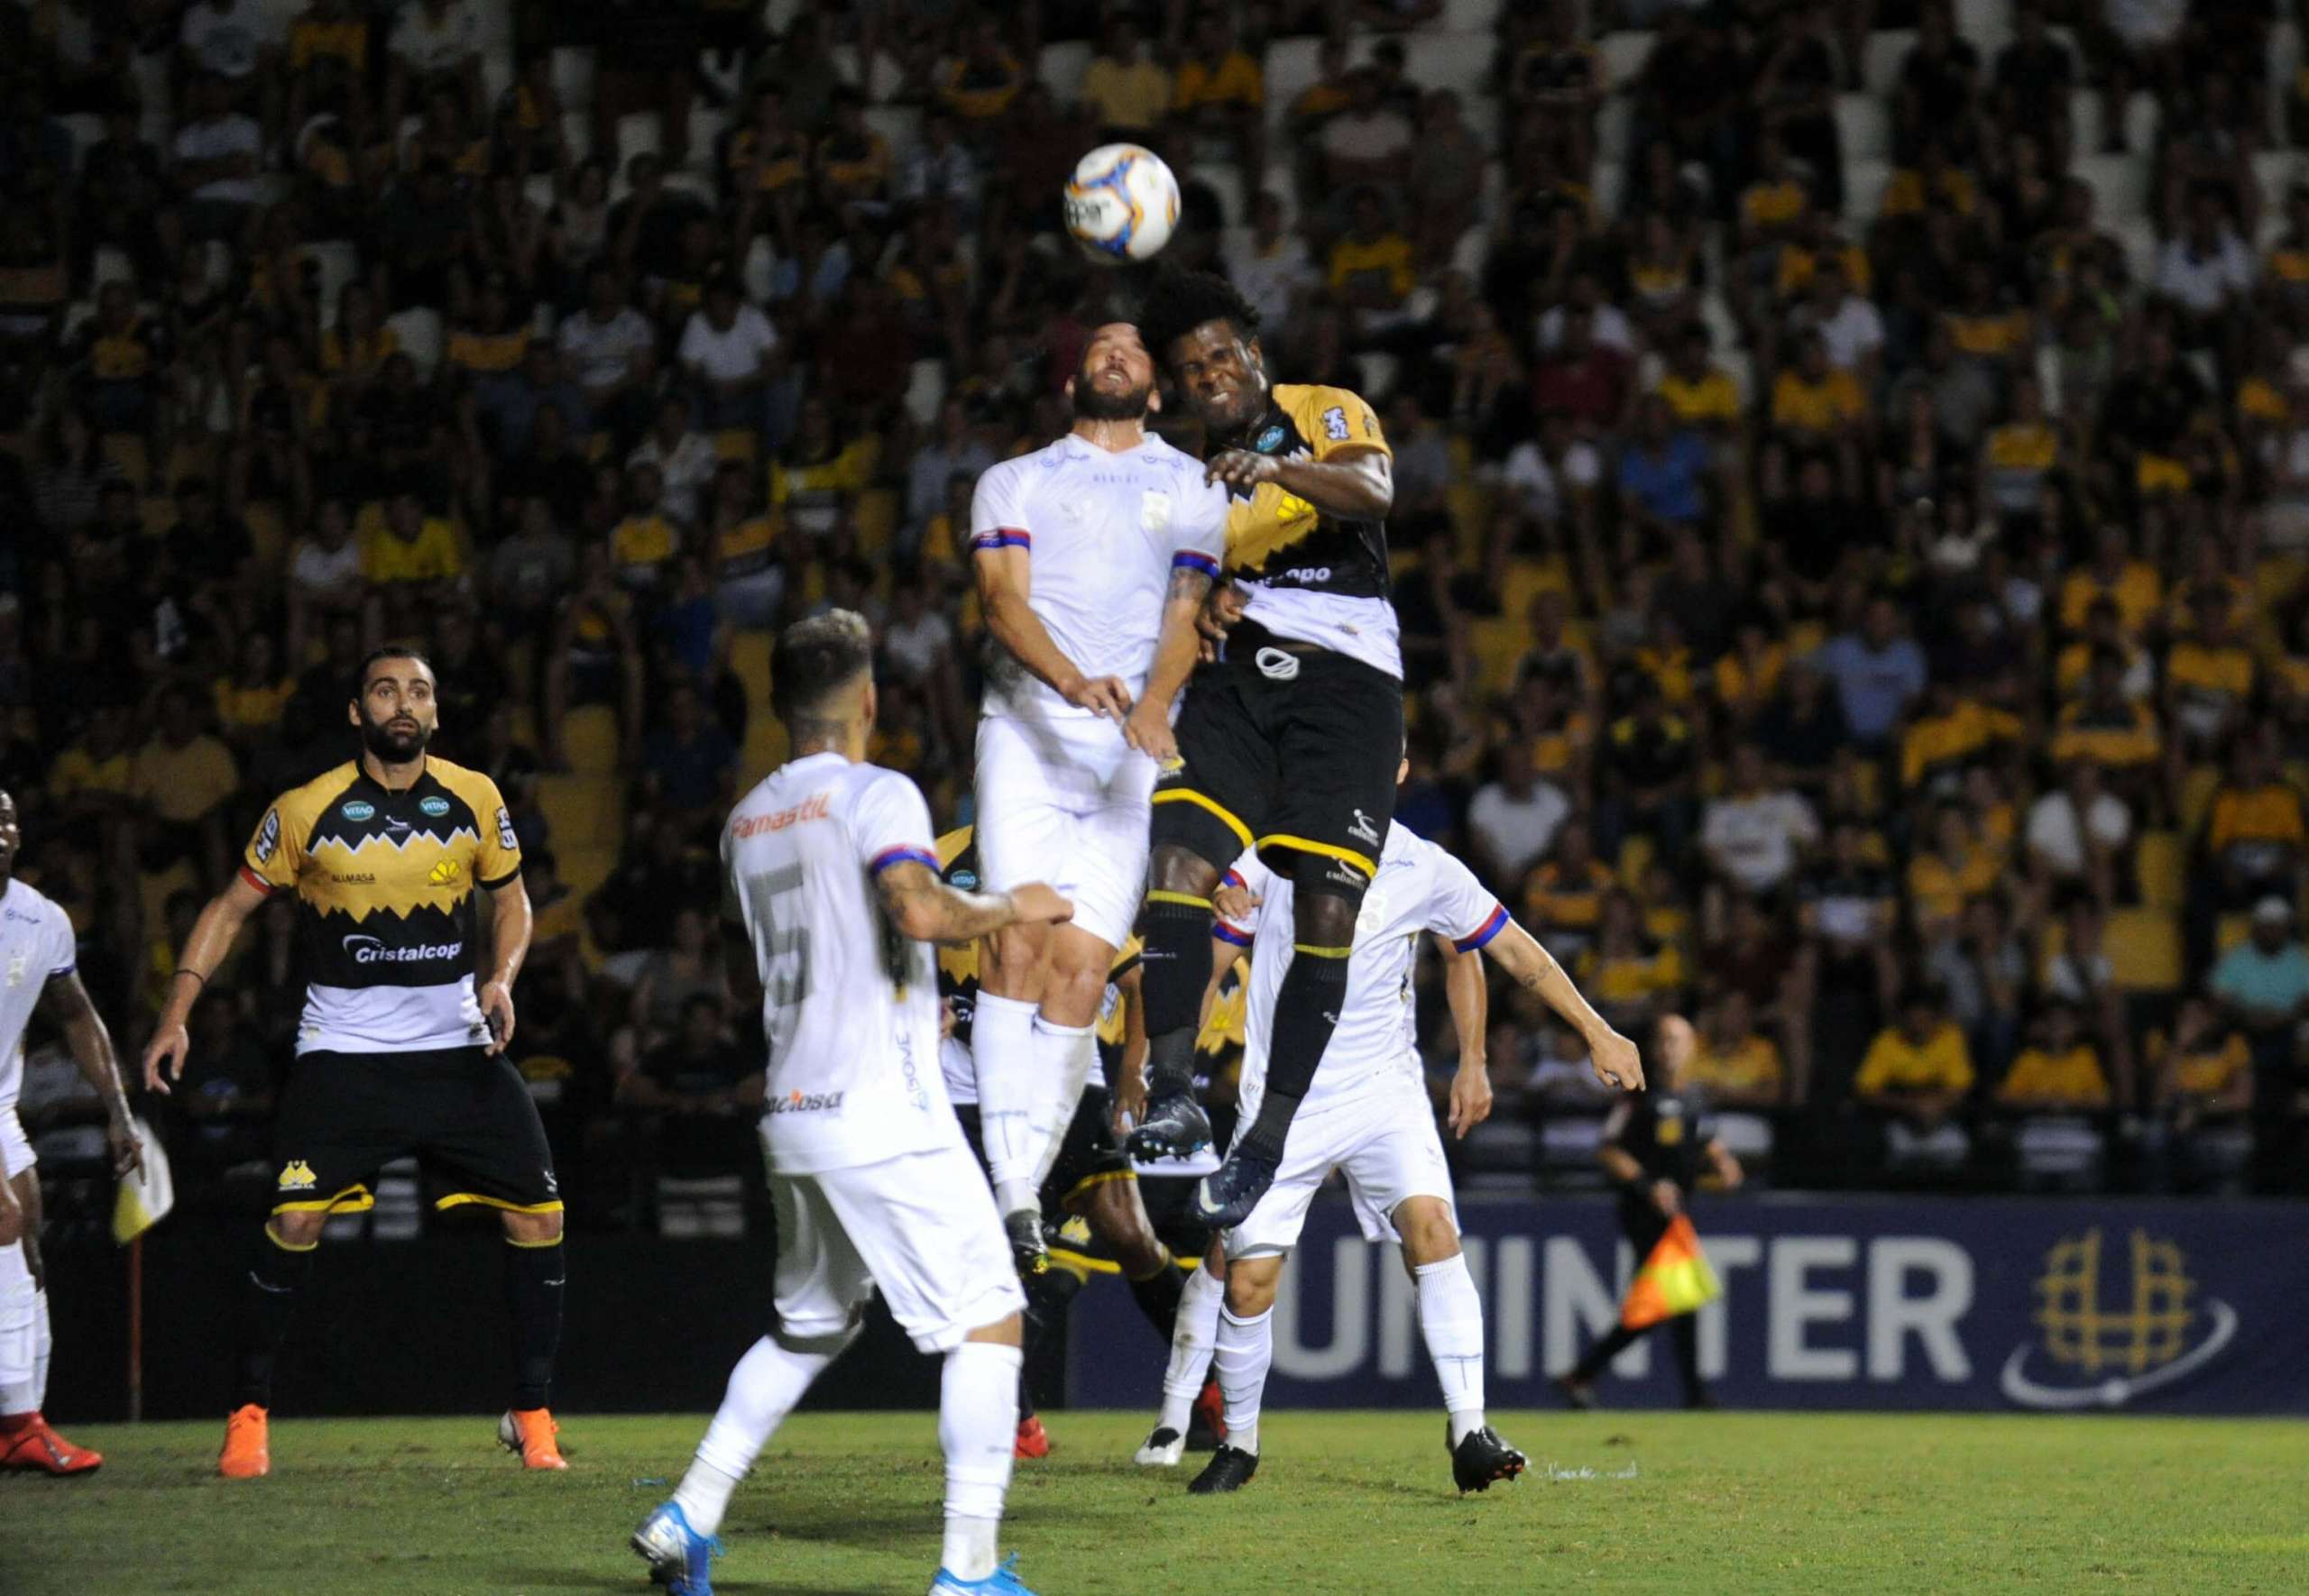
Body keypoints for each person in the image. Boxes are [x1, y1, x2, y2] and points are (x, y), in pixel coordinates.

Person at [631, 612, 1069, 1596]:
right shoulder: (880, 793)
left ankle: (688, 1512)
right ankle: (967, 1571)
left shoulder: (743, 824)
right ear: (868, 699)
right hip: (882, 1108)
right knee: (991, 1316)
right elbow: (916, 908)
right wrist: (1011, 905)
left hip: (792, 1107)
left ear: (781, 705)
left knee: (809, 1327)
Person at [1139, 754, 1644, 1494]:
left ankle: (1470, 1429)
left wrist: (1596, 1028)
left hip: (1384, 1092)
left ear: (1398, 768)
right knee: (1247, 1282)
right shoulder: (1276, 850)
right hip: (1285, 1100)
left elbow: (1507, 949)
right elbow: (1217, 930)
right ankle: (1238, 1445)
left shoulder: (1426, 866)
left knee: (1434, 1232)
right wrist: (1168, 1059)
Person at [140, 648, 559, 1478]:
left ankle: (532, 1412)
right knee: (294, 1221)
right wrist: (176, 1015)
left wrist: (501, 978)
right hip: (344, 1056)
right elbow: (229, 910)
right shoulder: (303, 809)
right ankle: (248, 1415)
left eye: (419, 691)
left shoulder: (477, 796)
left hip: (456, 1049)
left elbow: (511, 900)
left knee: (540, 1216)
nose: (403, 703)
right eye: (385, 690)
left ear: (436, 713)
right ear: (356, 713)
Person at [1125, 268, 1408, 1232]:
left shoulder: (1321, 410)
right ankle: (1172, 1093)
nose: (1209, 375)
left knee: (1328, 910)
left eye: (1221, 355)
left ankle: (1266, 1144)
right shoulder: (1175, 475)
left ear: (1252, 354)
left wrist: (1276, 468)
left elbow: (1372, 491)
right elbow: (1159, 589)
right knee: (1176, 857)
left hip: (1349, 677)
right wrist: (1199, 602)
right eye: (1189, 368)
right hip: (1236, 682)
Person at [965, 321, 1228, 1268]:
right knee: (1016, 942)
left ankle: (1022, 1192)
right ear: (1076, 375)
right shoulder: (1016, 479)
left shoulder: (1193, 483)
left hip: (1127, 754)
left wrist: (1154, 706)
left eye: (1134, 347)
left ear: (1156, 388)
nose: (1115, 352)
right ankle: (1006, 1181)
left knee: (1082, 971)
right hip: (1029, 737)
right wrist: (1077, 683)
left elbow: (1186, 613)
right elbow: (1002, 603)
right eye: (1100, 345)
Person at [933, 822, 1210, 1460]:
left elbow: (1137, 983)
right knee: (980, 1262)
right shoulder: (942, 856)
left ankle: (1205, 1386)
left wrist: (1131, 1084)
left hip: (1065, 1079)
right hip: (964, 1090)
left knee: (1131, 1235)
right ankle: (1015, 1419)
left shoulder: (1067, 855)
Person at [0, 789, 142, 1474]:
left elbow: (78, 1016)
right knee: (4, 1221)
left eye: (5, 818)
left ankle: (19, 1422)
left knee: (27, 1247)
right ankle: (19, 1424)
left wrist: (117, 1111)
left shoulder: (41, 919)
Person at [1556, 1015, 1741, 1410]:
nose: (1669, 1048)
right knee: (1664, 1303)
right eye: (1664, 1041)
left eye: (1678, 1040)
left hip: (1677, 1215)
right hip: (1642, 1212)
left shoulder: (1696, 1097)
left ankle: (1586, 1375)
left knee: (1673, 1303)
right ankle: (1590, 1375)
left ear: (1692, 1047)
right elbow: (1609, 1148)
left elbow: (1708, 1139)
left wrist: (1724, 1164)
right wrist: (1647, 1185)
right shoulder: (1639, 1094)